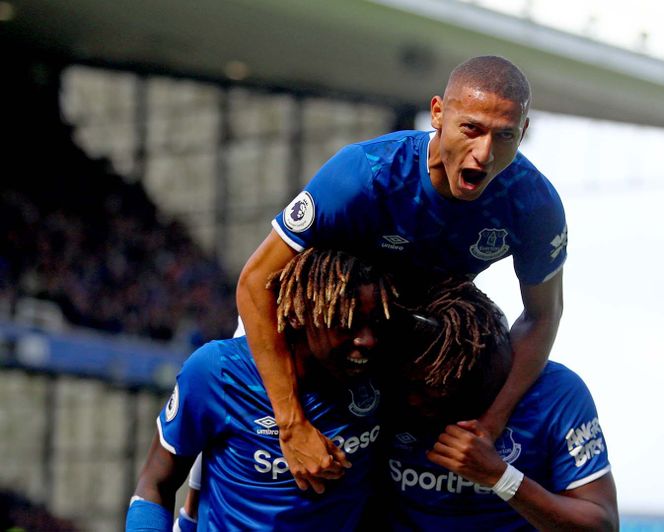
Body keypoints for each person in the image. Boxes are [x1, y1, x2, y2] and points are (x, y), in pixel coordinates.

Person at [238, 54, 568, 492]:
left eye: (505, 136)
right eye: (471, 128)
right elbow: (254, 282)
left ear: (522, 133)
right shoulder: (364, 175)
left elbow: (542, 315)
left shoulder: (534, 204)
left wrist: (490, 423)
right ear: (437, 114)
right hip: (319, 340)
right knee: (233, 406)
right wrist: (291, 422)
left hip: (405, 353)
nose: (485, 152)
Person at [126, 249, 396, 531]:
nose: (367, 340)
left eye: (377, 323)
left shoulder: (385, 375)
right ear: (298, 314)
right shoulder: (218, 371)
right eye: (347, 323)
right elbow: (155, 484)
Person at [383, 278, 618, 531]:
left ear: (476, 376)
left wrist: (501, 477)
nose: (413, 400)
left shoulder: (553, 393)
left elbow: (601, 525)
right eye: (407, 384)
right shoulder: (381, 386)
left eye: (433, 389)